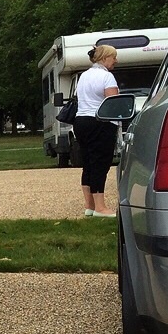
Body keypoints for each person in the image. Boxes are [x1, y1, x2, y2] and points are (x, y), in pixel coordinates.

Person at [73, 44, 120, 216]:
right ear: (105, 58)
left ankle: (90, 206)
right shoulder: (107, 77)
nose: (116, 60)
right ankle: (101, 208)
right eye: (113, 57)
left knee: (88, 163)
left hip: (81, 121)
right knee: (100, 163)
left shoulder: (83, 76)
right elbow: (113, 103)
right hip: (100, 122)